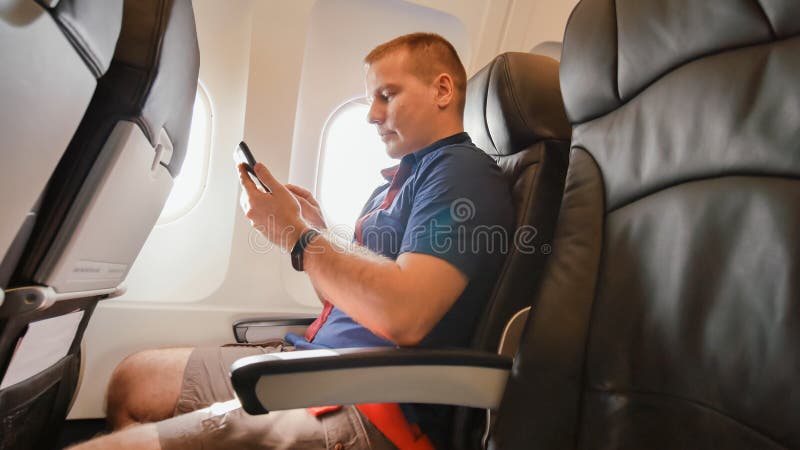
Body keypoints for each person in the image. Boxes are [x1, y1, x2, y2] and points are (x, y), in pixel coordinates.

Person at [69, 32, 513, 450]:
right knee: (133, 380)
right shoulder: (394, 183)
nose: (372, 114)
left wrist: (299, 238)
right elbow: (348, 295)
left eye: (387, 95)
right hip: (316, 358)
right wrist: (316, 232)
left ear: (441, 91)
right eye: (369, 99)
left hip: (371, 397)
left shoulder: (461, 175)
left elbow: (405, 314)